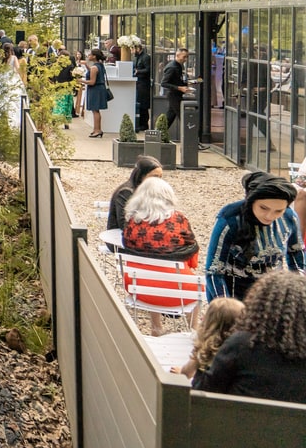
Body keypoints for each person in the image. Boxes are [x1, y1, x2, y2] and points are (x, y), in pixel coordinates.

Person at [193, 270, 306, 404]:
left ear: (259, 305)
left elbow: (201, 393)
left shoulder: (241, 345)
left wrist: (202, 354)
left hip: (236, 423)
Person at [204, 171, 305, 301]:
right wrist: (225, 306)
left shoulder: (289, 218)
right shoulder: (230, 219)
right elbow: (214, 270)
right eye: (263, 208)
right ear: (251, 200)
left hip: (273, 295)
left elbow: (296, 253)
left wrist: (298, 289)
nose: (270, 216)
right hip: (233, 294)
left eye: (279, 211)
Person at [122, 176, 200, 336]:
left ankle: (156, 326)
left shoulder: (132, 222)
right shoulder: (178, 219)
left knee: (149, 268)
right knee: (197, 285)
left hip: (139, 288)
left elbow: (127, 246)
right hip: (176, 289)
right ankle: (194, 329)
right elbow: (192, 248)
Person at [174, 297, 244, 380]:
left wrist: (180, 372)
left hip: (203, 391)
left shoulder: (206, 350)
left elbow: (186, 373)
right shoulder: (242, 350)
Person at [107, 155, 163, 231]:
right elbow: (124, 224)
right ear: (141, 176)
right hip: (119, 237)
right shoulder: (126, 192)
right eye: (154, 176)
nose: (158, 181)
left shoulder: (152, 191)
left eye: (160, 177)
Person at [159, 48, 192, 139]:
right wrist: (179, 88)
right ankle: (192, 140)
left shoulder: (179, 66)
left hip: (176, 94)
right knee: (184, 117)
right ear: (177, 55)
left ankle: (159, 134)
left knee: (170, 116)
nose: (186, 59)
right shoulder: (172, 67)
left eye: (187, 57)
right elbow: (164, 83)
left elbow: (178, 80)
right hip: (173, 95)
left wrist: (185, 85)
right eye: (184, 57)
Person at [85, 48, 108, 137]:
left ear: (94, 56)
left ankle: (97, 130)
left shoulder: (94, 67)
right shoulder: (100, 65)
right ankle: (96, 129)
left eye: (90, 55)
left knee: (95, 110)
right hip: (100, 88)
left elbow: (92, 82)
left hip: (95, 89)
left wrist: (80, 81)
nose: (88, 56)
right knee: (96, 110)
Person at [133, 39, 152, 132]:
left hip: (144, 84)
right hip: (139, 83)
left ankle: (144, 124)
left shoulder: (145, 57)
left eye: (133, 49)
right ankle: (140, 123)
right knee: (140, 103)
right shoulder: (137, 57)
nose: (132, 51)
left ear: (138, 48)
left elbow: (148, 70)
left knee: (143, 104)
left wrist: (138, 71)